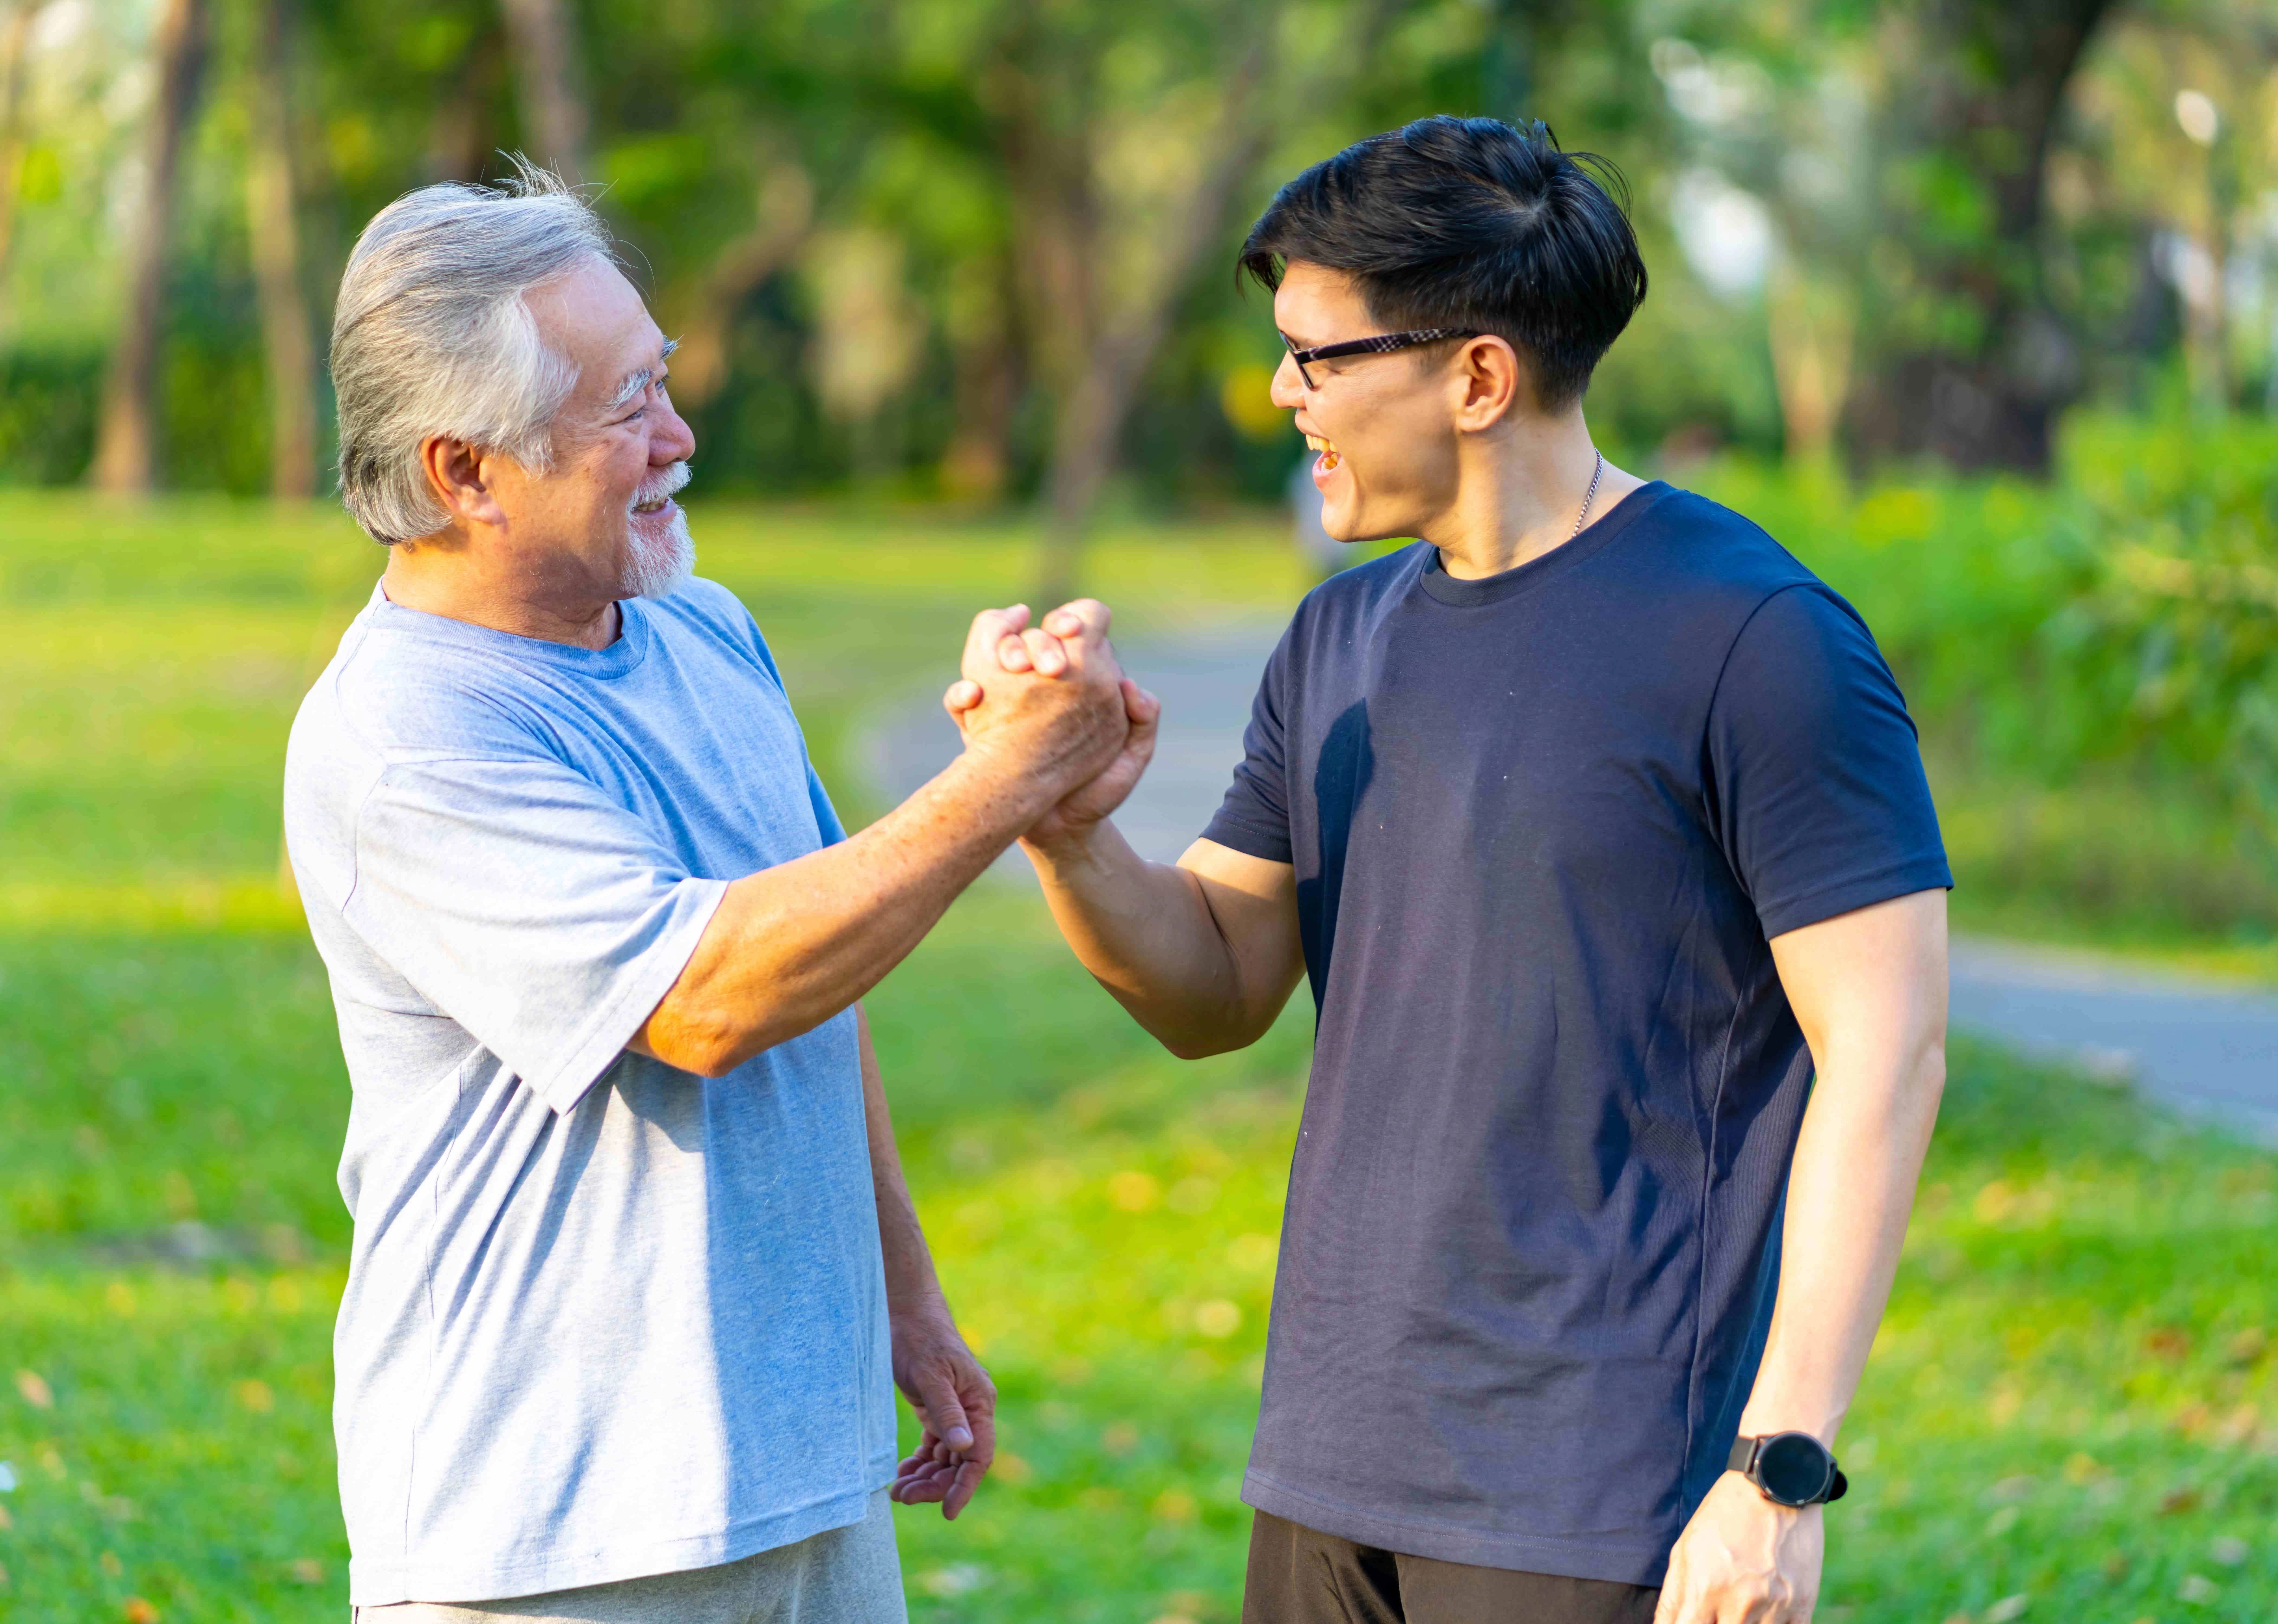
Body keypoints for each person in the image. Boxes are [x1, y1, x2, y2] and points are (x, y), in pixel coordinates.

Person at [951, 117, 1953, 1624]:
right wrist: (1063, 821)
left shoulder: (1756, 640)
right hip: (1331, 1456)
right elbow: (1214, 983)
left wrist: (1780, 1469)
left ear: (1478, 377)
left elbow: (1887, 1051)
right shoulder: (1341, 639)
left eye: (1318, 359)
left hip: (1599, 1487)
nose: (1284, 395)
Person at [283, 166, 1130, 1620]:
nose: (679, 439)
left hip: (797, 1479)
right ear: (462, 474)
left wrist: (903, 1300)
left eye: (662, 382)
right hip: (557, 1533)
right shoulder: (406, 740)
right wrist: (1003, 779)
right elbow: (711, 997)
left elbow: (815, 965)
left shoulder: (703, 628)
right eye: (621, 410)